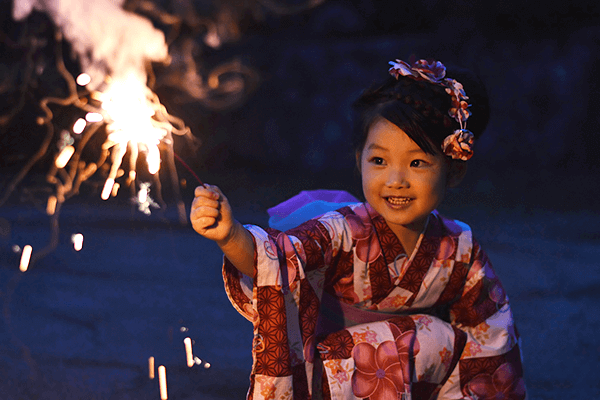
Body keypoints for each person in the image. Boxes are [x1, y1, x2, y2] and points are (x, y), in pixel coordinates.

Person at [190, 57, 527, 400]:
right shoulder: (342, 230)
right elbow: (278, 259)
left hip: (418, 380)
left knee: (437, 341)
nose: (396, 180)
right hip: (332, 381)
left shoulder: (460, 248)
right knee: (417, 339)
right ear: (359, 160)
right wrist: (231, 236)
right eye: (379, 161)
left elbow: (490, 337)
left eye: (417, 163)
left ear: (453, 170)